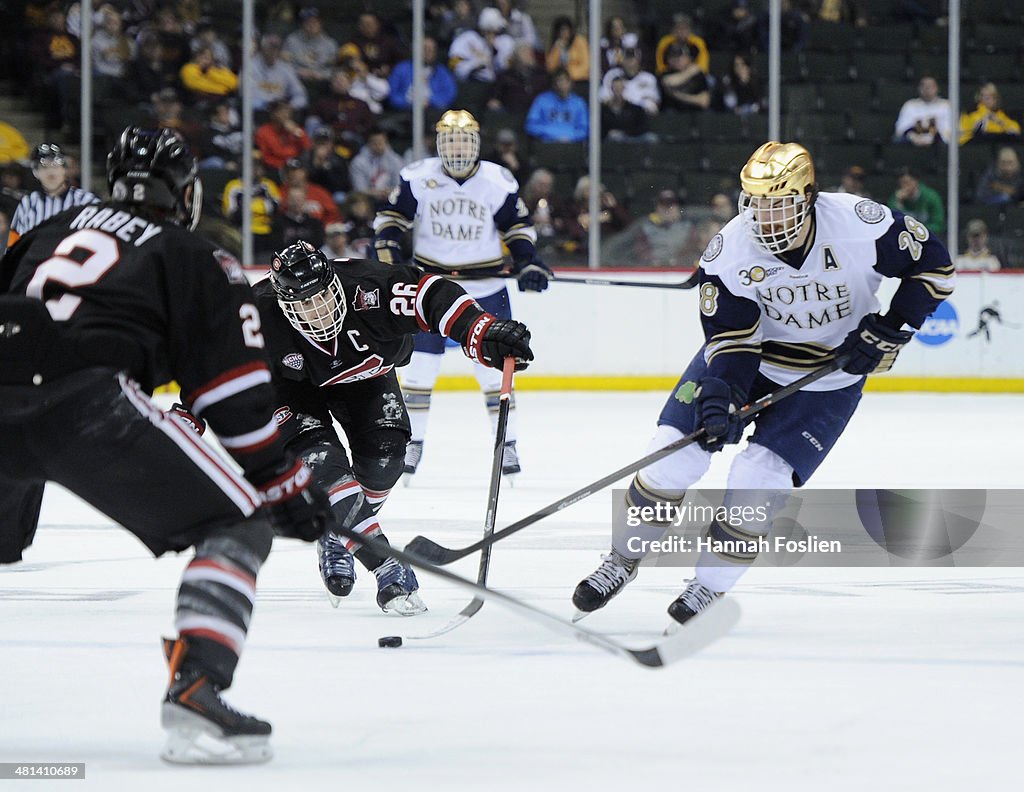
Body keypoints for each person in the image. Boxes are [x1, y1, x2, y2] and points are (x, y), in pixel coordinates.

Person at [0, 127, 332, 763]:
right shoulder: (195, 255)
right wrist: (284, 486)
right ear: (184, 193)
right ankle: (197, 688)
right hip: (83, 401)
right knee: (237, 524)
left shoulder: (51, 228)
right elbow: (232, 399)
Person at [572, 141, 953, 626]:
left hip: (828, 378)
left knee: (757, 483)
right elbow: (731, 341)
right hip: (752, 361)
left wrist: (891, 326)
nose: (764, 218)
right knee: (673, 455)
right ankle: (622, 560)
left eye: (779, 204)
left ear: (809, 196)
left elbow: (934, 267)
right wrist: (721, 399)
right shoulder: (731, 249)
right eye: (756, 203)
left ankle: (707, 586)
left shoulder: (863, 225)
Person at [253, 240, 534, 609]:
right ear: (284, 303)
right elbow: (215, 366)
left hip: (365, 379)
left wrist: (481, 330)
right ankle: (385, 564)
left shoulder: (369, 287)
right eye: (304, 304)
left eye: (321, 295)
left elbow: (433, 295)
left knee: (384, 463)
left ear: (334, 282)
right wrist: (191, 413)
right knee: (325, 468)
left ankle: (339, 533)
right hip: (293, 392)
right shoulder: (256, 313)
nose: (318, 310)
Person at [372, 109, 552, 477]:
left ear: (475, 144)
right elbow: (389, 221)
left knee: (494, 371)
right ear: (439, 143)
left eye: (463, 140)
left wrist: (528, 261)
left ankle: (508, 444)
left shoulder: (496, 180)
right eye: (449, 140)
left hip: (486, 288)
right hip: (430, 288)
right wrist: (391, 262)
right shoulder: (418, 177)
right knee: (420, 371)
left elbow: (517, 226)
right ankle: (413, 443)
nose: (456, 148)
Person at [7, 143, 99, 248]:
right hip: (36, 263)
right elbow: (14, 244)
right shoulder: (28, 204)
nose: (50, 172)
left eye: (55, 166)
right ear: (36, 172)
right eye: (44, 167)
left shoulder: (87, 201)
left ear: (64, 169)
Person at [893, 76, 952, 146]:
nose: (926, 89)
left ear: (937, 88)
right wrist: (913, 137)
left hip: (938, 143)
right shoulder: (910, 105)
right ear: (919, 89)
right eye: (923, 86)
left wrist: (931, 139)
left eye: (930, 86)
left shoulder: (946, 106)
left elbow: (948, 130)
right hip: (912, 143)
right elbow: (901, 128)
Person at [887, 166, 945, 237]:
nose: (904, 186)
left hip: (928, 237)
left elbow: (938, 224)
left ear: (916, 181)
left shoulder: (931, 197)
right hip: (905, 237)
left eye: (906, 182)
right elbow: (892, 222)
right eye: (901, 183)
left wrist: (918, 231)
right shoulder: (895, 198)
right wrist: (899, 203)